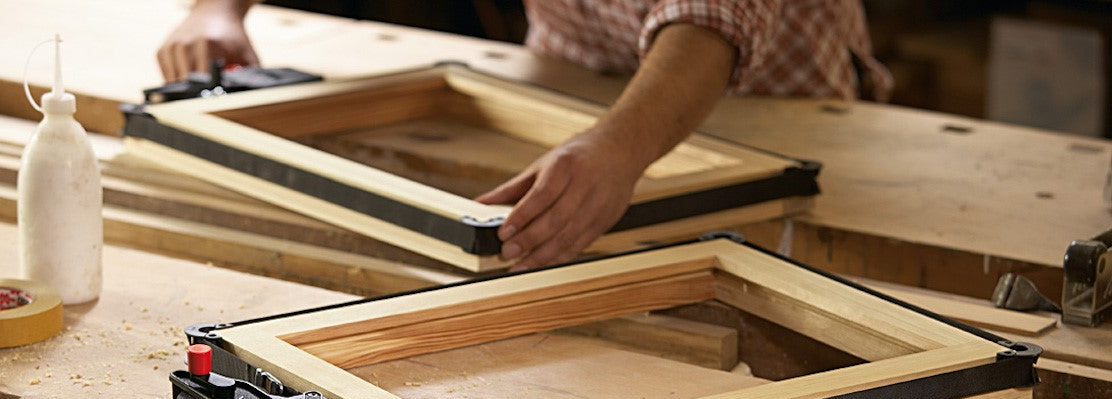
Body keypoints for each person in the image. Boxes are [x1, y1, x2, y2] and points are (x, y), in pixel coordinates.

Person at [157, 1, 891, 270]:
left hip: (760, 100)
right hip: (571, 76)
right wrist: (217, 7)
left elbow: (711, 21)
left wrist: (620, 148)